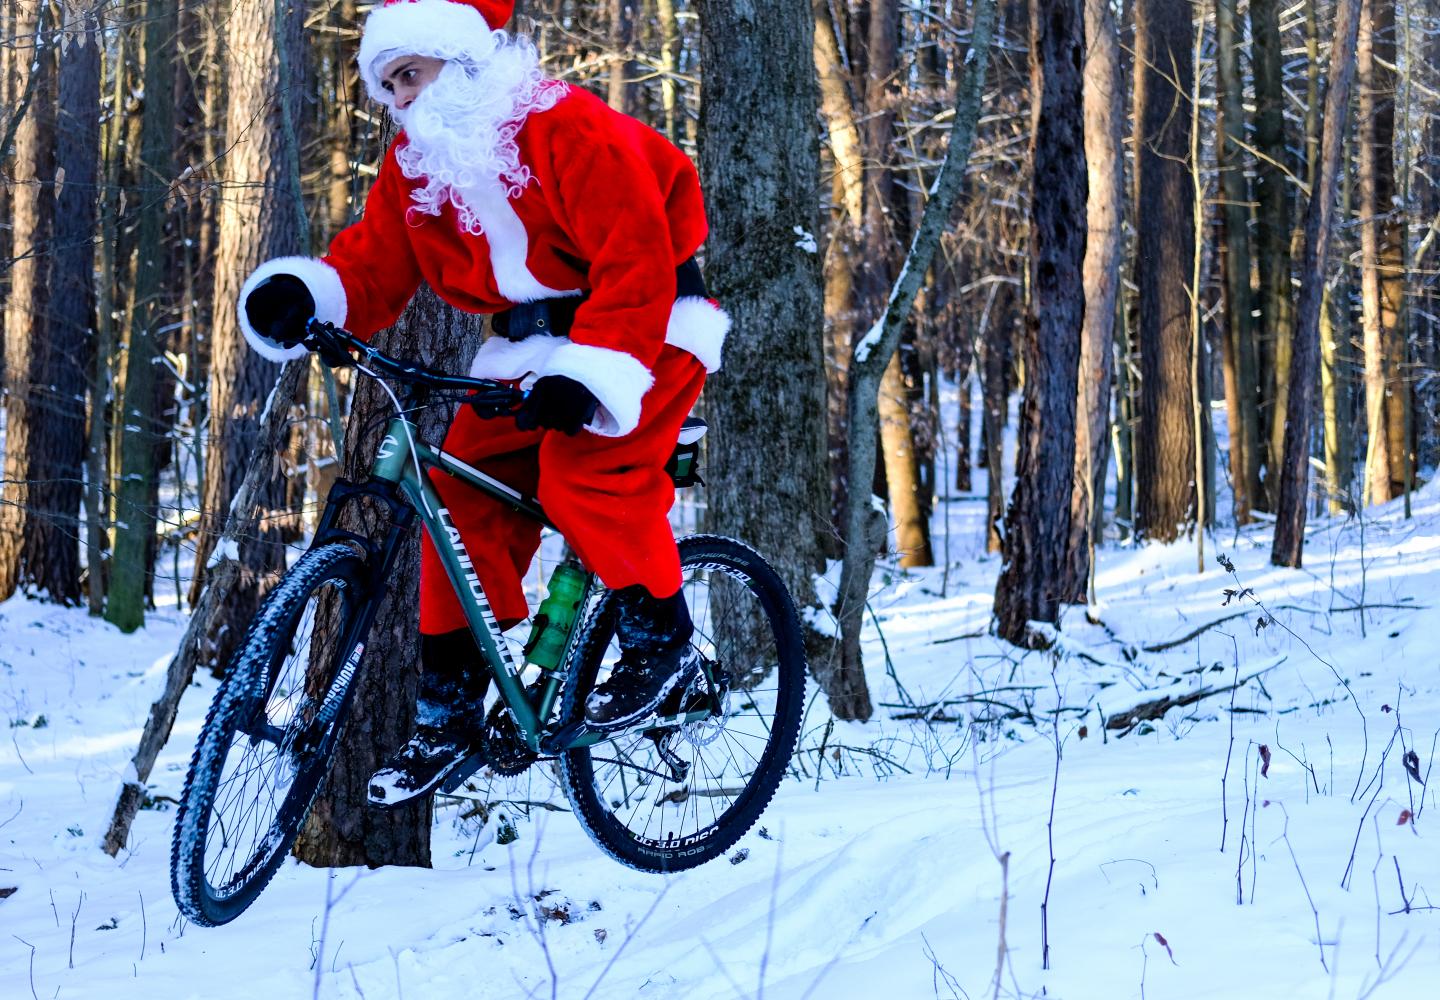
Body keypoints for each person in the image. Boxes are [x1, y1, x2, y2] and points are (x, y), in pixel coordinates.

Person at [237, 0, 729, 806]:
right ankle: (447, 714)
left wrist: (593, 369)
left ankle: (660, 646)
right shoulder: (415, 170)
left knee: (584, 478)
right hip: (528, 351)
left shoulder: (564, 124)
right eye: (387, 86)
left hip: (647, 330)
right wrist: (308, 296)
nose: (399, 99)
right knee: (458, 494)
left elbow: (637, 251)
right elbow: (373, 266)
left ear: (459, 59)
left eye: (409, 75)